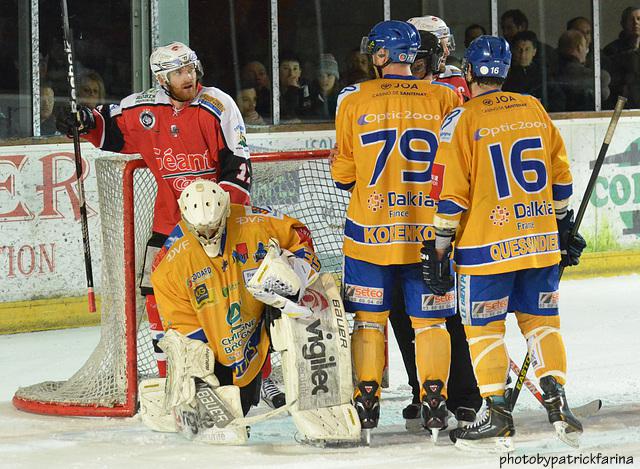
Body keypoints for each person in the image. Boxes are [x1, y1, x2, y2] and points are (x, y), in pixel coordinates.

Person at [55, 41, 252, 392]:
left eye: (190, 69)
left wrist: (221, 219)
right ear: (162, 80)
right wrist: (82, 121)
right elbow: (108, 127)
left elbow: (238, 166)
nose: (188, 77)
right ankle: (168, 378)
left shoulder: (218, 106)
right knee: (155, 297)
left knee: (226, 298)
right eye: (178, 73)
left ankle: (241, 374)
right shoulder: (143, 108)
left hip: (216, 224)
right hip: (169, 224)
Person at [424, 35, 586, 452]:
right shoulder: (533, 108)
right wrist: (563, 226)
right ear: (506, 72)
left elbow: (451, 195)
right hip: (538, 242)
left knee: (484, 329)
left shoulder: (461, 119)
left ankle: (496, 413)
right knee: (542, 323)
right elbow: (561, 178)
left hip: (485, 249)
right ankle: (557, 402)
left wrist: (440, 247)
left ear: (468, 72)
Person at [144, 179, 359, 444]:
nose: (208, 234)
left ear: (225, 210)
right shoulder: (170, 262)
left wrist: (294, 269)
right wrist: (198, 362)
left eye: (214, 226)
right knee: (234, 403)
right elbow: (180, 321)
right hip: (219, 338)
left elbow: (299, 235)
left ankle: (324, 402)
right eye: (201, 229)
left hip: (266, 311)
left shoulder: (256, 221)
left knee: (308, 315)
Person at [331, 20, 460, 442]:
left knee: (369, 323)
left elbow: (343, 174)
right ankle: (435, 401)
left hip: (369, 234)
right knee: (431, 324)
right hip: (430, 236)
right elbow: (456, 167)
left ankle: (366, 402)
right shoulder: (445, 97)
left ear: (383, 54)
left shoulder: (353, 97)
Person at [399, 29, 481, 431]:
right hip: (399, 229)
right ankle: (425, 393)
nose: (410, 69)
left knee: (448, 316)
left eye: (418, 63)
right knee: (406, 317)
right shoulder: (388, 97)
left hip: (442, 224)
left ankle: (465, 396)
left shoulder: (450, 96)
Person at [408, 15, 471, 101]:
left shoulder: (454, 77)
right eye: (439, 47)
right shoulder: (397, 79)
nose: (446, 52)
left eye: (447, 45)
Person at [602, 7, 640, 108]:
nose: (636, 23)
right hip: (621, 105)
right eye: (631, 19)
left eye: (639, 19)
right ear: (623, 24)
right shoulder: (611, 50)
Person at [556, 30, 594, 111]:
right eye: (585, 47)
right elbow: (604, 79)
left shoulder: (551, 67)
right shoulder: (579, 72)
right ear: (579, 47)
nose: (586, 51)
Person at [279, 54, 311, 122]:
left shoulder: (307, 89)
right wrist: (292, 89)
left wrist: (293, 89)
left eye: (295, 69)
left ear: (300, 72)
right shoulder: (273, 91)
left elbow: (306, 114)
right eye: (286, 68)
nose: (291, 74)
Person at [309, 53, 341, 120]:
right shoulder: (310, 97)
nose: (324, 79)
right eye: (320, 75)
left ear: (335, 77)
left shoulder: (342, 98)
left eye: (329, 75)